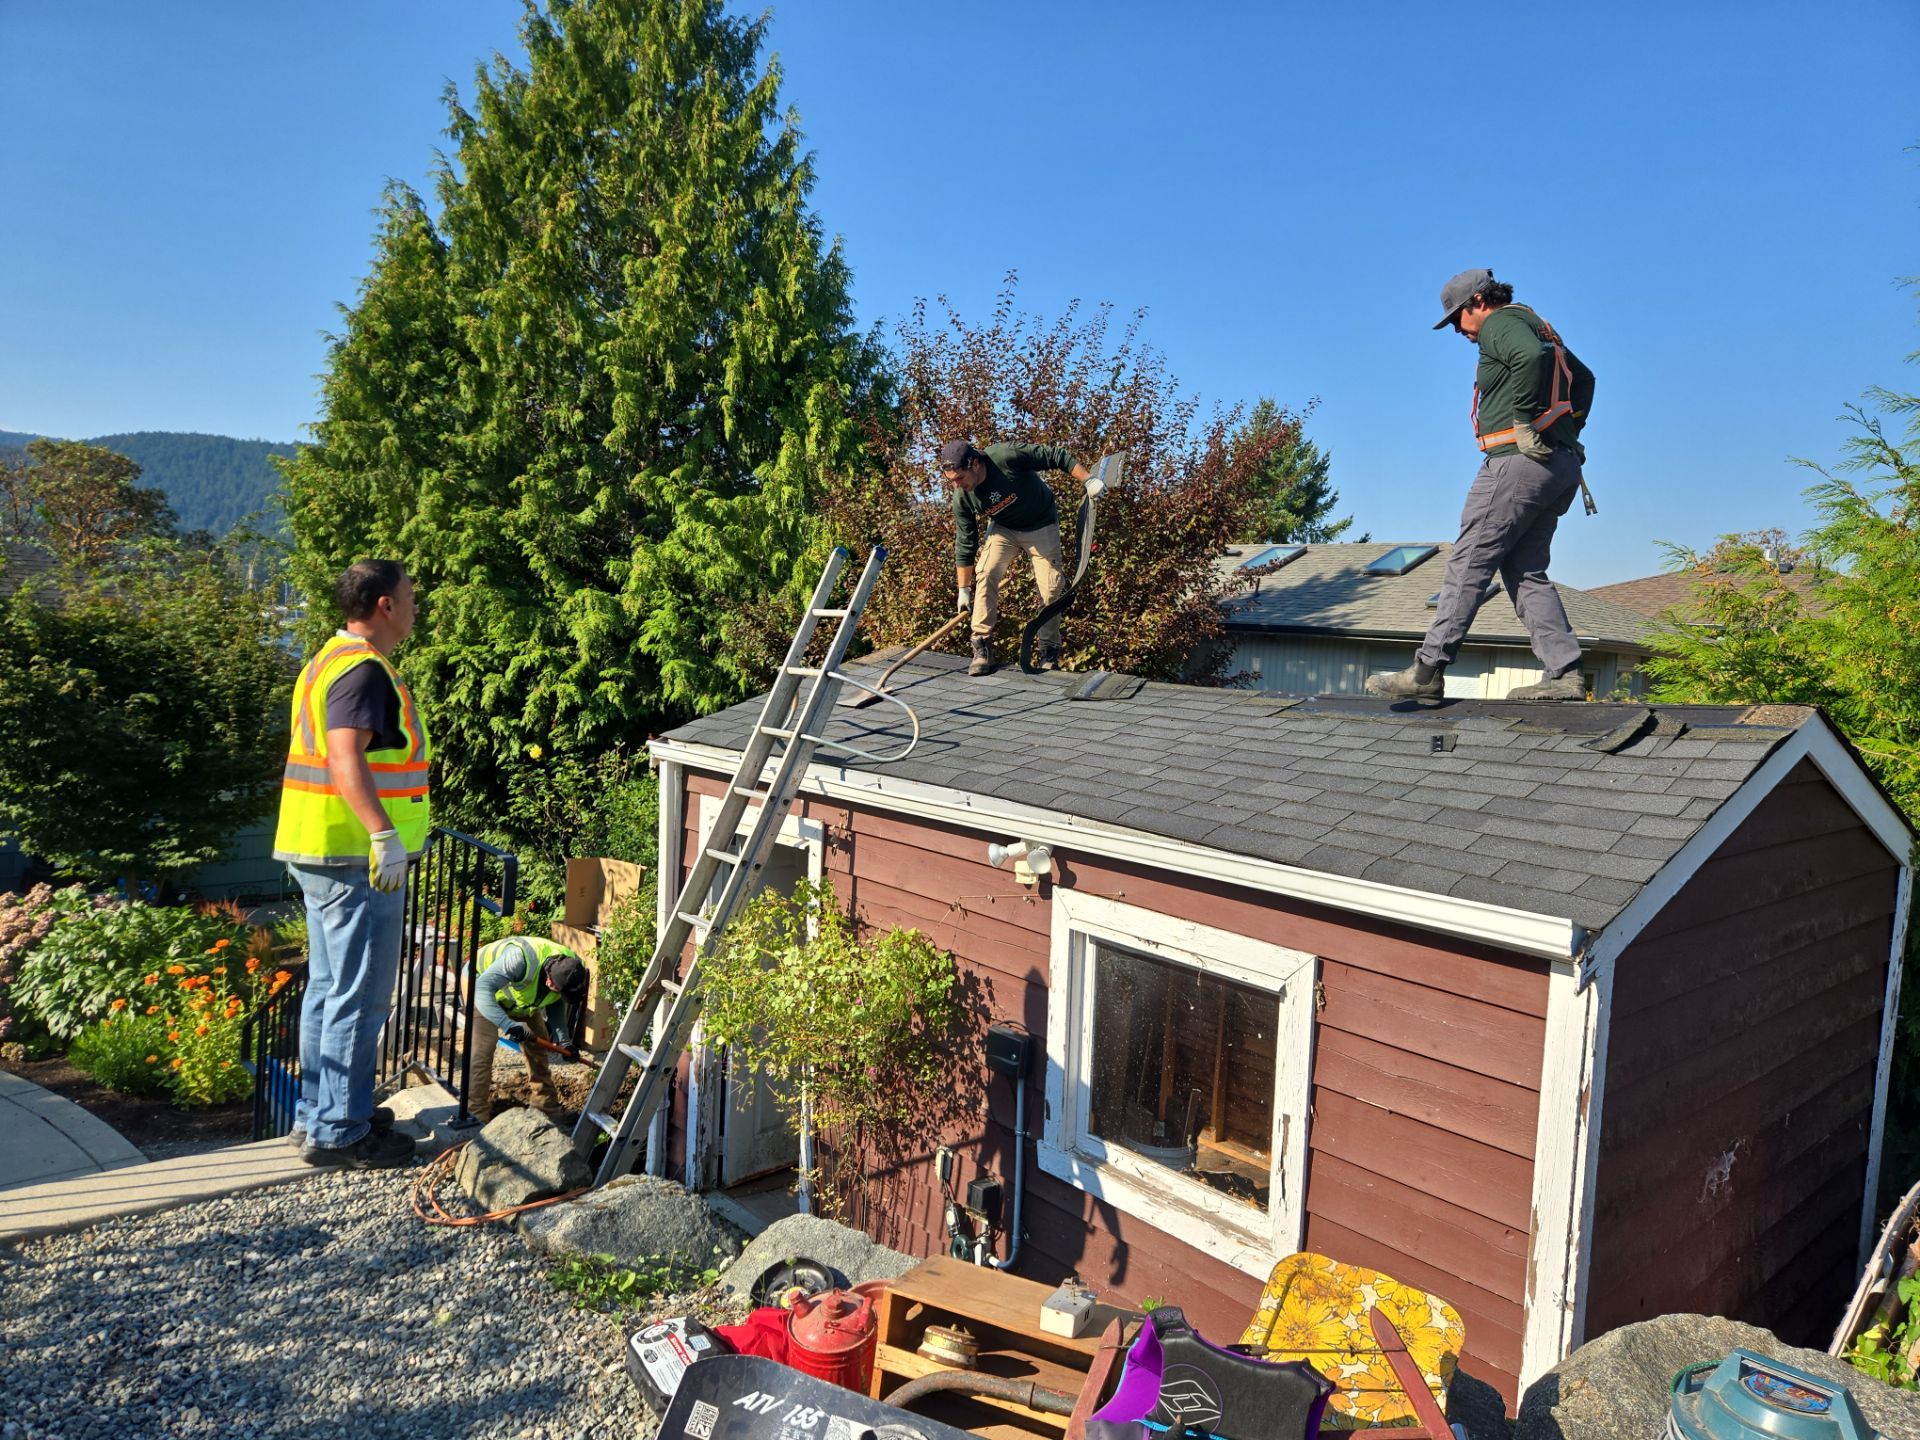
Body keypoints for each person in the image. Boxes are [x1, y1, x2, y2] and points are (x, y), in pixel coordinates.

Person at [1367, 269, 1596, 704]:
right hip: (1559, 466)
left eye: (1457, 318)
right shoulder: (1539, 324)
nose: (1458, 330)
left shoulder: (1501, 324)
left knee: (1469, 561)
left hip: (1517, 463)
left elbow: (1529, 357)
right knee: (1525, 570)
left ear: (1478, 301)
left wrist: (1527, 421)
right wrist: (1567, 430)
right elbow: (1585, 380)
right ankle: (1565, 672)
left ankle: (1427, 671)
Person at [273, 560, 430, 1167]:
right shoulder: (362, 671)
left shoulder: (328, 661)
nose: (416, 607)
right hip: (354, 858)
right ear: (384, 605)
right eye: (410, 597)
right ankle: (341, 1129)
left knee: (329, 989)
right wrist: (383, 835)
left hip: (322, 848)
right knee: (359, 995)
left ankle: (324, 1111)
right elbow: (345, 759)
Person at [941, 438, 1092, 676]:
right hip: (1004, 529)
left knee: (1051, 588)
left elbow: (1056, 455)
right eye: (952, 481)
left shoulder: (1005, 456)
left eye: (960, 478)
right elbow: (965, 542)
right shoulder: (963, 497)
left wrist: (1088, 480)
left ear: (975, 463)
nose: (957, 485)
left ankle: (1048, 652)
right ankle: (981, 647)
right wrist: (963, 589)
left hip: (1041, 523)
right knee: (987, 572)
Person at [468, 936, 591, 1122]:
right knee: (483, 1051)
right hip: (480, 986)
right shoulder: (518, 960)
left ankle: (546, 1106)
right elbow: (482, 989)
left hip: (519, 999)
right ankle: (475, 1116)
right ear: (550, 983)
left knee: (538, 1046)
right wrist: (509, 1025)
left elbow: (555, 1002)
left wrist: (564, 1040)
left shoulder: (572, 967)